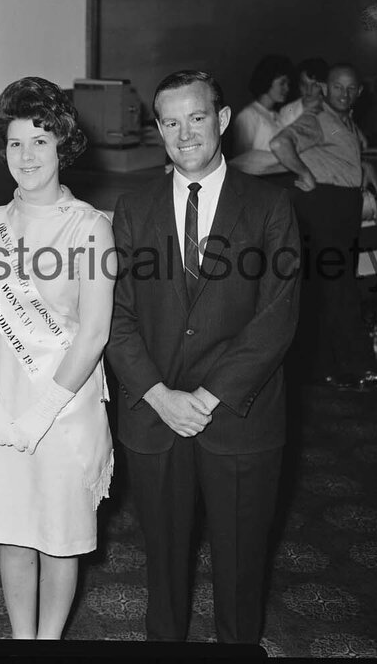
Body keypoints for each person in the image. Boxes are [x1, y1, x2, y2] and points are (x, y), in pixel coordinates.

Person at [107, 69, 301, 644]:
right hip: (156, 417)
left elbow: (278, 316)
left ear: (221, 121)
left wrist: (211, 397)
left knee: (242, 571)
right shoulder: (133, 208)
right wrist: (159, 395)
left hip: (239, 417)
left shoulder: (270, 206)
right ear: (158, 130)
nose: (184, 133)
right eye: (170, 122)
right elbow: (116, 315)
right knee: (162, 569)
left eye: (197, 118)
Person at [0, 76, 114, 640]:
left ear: (62, 147)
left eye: (40, 142)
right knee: (13, 531)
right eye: (16, 143)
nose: (27, 156)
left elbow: (94, 333)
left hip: (65, 406)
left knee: (58, 535)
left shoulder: (92, 227)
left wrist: (39, 413)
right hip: (2, 401)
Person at [268, 62, 377, 388]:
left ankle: (334, 369)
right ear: (325, 88)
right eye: (338, 87)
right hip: (324, 207)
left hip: (341, 208)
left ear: (359, 92)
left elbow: (346, 155)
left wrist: (365, 167)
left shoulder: (344, 123)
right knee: (335, 291)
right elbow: (280, 143)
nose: (344, 93)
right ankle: (348, 368)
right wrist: (304, 174)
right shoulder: (319, 118)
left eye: (351, 88)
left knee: (335, 290)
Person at [229, 54, 304, 176]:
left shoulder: (276, 115)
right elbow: (240, 162)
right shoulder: (248, 115)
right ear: (268, 81)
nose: (287, 88)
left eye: (288, 84)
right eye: (282, 83)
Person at [278, 57, 328, 127]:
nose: (308, 90)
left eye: (314, 85)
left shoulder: (330, 110)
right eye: (304, 84)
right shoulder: (287, 111)